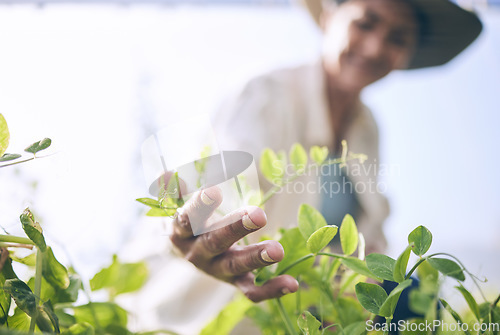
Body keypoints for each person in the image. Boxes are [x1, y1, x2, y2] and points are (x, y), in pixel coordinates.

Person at [130, 0, 482, 333]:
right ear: (329, 18)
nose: (375, 47)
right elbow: (223, 189)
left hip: (306, 311)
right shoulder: (267, 93)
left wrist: (352, 284)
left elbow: (367, 240)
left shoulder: (367, 129)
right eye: (365, 23)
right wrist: (193, 229)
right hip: (210, 312)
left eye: (398, 38)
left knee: (410, 296)